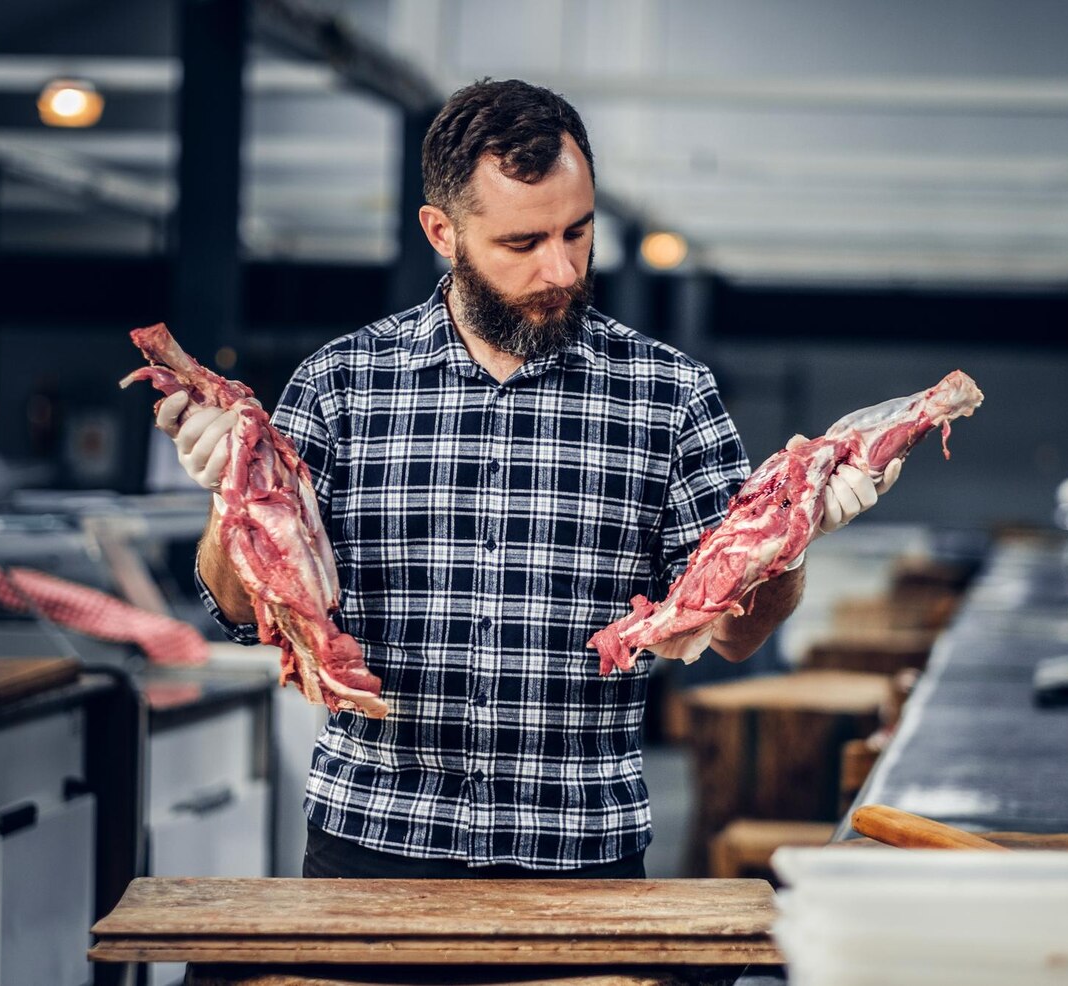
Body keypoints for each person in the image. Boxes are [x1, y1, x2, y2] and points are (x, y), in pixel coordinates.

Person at [155, 79, 899, 879]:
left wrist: (791, 543)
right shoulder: (340, 384)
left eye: (577, 232)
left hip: (582, 855)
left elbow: (733, 632)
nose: (561, 268)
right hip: (372, 846)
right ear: (442, 232)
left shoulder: (671, 395)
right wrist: (229, 492)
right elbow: (239, 613)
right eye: (522, 243)